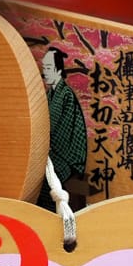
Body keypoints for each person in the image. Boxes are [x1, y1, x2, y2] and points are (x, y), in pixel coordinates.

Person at [37, 46, 87, 209]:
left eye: (49, 68)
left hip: (68, 158)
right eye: (44, 68)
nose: (46, 73)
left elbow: (57, 130)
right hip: (54, 153)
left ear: (59, 70)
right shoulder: (50, 94)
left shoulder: (65, 95)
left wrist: (44, 145)